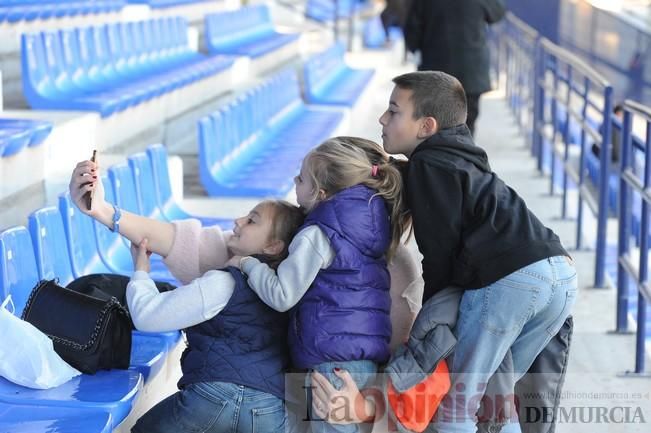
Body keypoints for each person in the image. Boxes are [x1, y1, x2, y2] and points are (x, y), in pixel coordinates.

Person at [312, 71, 577, 433]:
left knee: (458, 407)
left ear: (426, 126)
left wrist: (431, 327)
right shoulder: (462, 157)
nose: (382, 119)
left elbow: (438, 257)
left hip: (512, 281)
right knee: (496, 397)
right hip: (558, 274)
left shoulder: (428, 167)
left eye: (393, 111)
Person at [69, 161, 307, 433]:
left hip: (213, 398)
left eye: (251, 220)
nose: (238, 221)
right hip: (270, 409)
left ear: (273, 246)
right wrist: (102, 210)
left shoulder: (224, 282)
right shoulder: (294, 291)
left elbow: (148, 316)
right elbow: (174, 239)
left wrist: (141, 272)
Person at [228, 137, 410, 433]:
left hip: (331, 364)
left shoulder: (317, 233)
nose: (294, 181)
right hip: (362, 360)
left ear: (321, 193)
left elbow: (282, 294)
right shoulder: (370, 223)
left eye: (301, 178)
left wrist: (249, 264)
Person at [403, 0, 506, 135]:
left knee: (435, 119)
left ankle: (439, 152)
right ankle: (463, 152)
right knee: (467, 121)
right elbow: (497, 13)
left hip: (435, 67)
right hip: (470, 69)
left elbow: (412, 28)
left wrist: (416, 46)